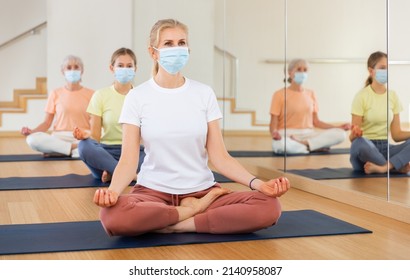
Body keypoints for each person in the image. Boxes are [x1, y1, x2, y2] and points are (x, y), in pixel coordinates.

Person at [93, 19, 290, 237]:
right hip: (152, 193)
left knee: (269, 207)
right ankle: (190, 212)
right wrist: (112, 193)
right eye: (168, 43)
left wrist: (258, 184)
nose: (176, 48)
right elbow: (128, 162)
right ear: (153, 52)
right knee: (111, 216)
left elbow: (220, 157)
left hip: (204, 192)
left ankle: (179, 223)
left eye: (181, 42)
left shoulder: (203, 93)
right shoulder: (136, 97)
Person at [73, 47, 144, 183]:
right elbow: (95, 136)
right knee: (83, 146)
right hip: (106, 152)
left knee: (155, 152)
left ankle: (113, 172)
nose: (125, 69)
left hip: (134, 153)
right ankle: (130, 175)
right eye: (120, 65)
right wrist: (86, 136)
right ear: (112, 68)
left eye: (129, 66)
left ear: (135, 69)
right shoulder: (100, 95)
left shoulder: (142, 96)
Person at [269, 59, 350, 154]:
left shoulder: (311, 93)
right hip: (287, 135)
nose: (302, 73)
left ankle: (304, 145)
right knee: (280, 145)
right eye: (299, 69)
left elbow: (316, 122)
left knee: (341, 134)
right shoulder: (279, 94)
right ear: (290, 73)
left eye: (305, 70)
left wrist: (338, 127)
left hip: (309, 134)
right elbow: (273, 122)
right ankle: (311, 147)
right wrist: (274, 133)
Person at [20, 55, 94, 157]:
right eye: (69, 67)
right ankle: (73, 148)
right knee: (32, 140)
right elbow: (47, 123)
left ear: (82, 71)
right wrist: (32, 132)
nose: (72, 70)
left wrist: (90, 137)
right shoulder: (55, 93)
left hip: (82, 136)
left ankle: (60, 151)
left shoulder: (92, 94)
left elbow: (96, 123)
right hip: (60, 137)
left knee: (92, 146)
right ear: (62, 71)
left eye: (76, 67)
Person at [349, 51, 410, 174]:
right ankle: (395, 167)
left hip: (385, 148)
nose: (386, 71)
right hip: (366, 148)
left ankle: (383, 168)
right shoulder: (361, 96)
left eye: (388, 68)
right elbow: (352, 138)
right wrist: (356, 133)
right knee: (360, 143)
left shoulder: (393, 96)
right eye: (382, 68)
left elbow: (396, 135)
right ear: (371, 71)